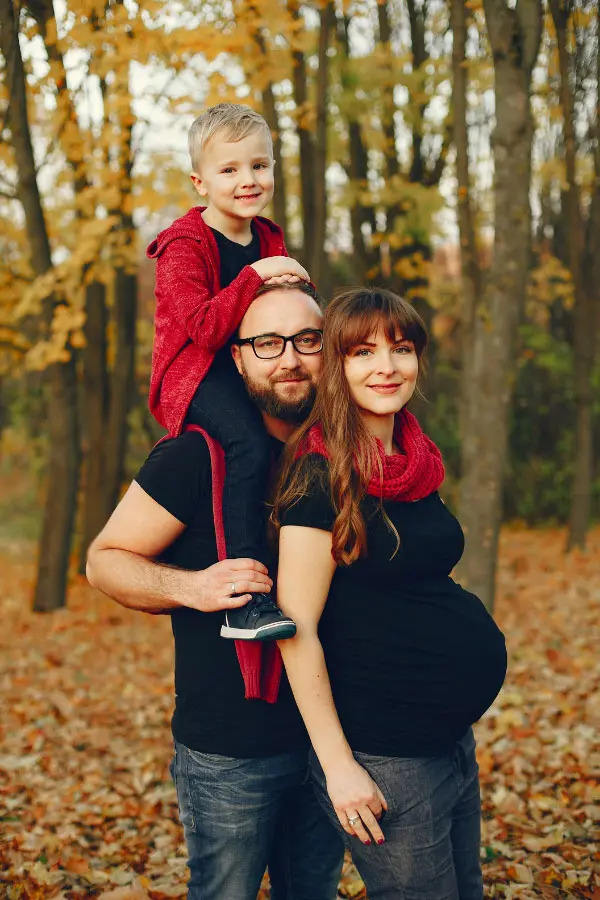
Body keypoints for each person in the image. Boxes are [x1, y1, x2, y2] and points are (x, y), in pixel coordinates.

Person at [86, 283, 344, 900]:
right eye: (266, 343)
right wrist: (193, 586)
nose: (290, 358)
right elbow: (104, 562)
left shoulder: (345, 455)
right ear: (236, 356)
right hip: (233, 751)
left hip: (335, 738)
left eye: (308, 340)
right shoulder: (192, 459)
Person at [273, 287, 508, 900]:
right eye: (362, 352)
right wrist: (339, 768)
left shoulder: (414, 459)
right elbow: (294, 632)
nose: (387, 367)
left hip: (450, 741)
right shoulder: (317, 477)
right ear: (335, 365)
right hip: (385, 756)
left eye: (401, 349)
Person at [146, 102, 308, 642]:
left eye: (259, 166)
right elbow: (205, 329)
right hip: (193, 376)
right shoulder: (184, 247)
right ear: (200, 182)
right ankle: (247, 599)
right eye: (230, 170)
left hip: (251, 367)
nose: (248, 180)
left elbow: (279, 310)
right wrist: (258, 276)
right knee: (247, 442)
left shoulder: (267, 237)